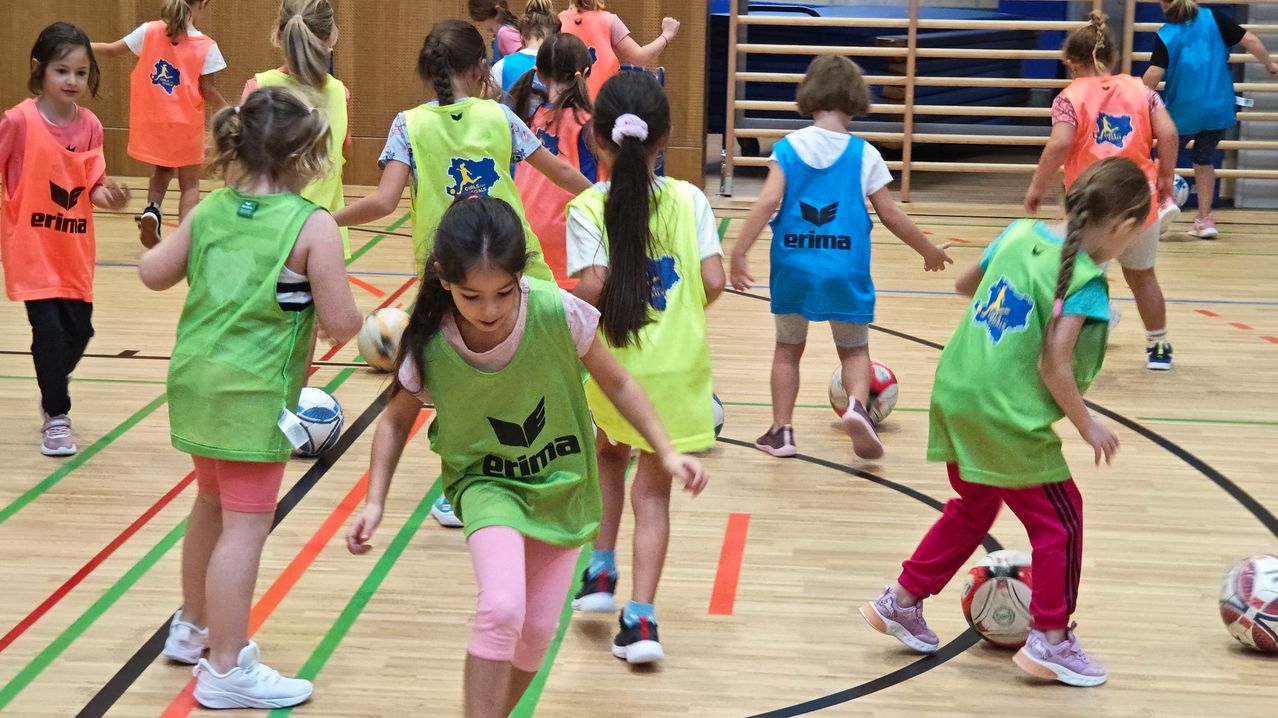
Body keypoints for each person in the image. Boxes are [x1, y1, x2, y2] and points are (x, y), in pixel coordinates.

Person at [346, 197, 705, 718]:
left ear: (522, 278)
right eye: (472, 296)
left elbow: (621, 382)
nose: (489, 310)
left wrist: (667, 452)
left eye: (503, 293)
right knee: (501, 608)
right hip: (485, 484)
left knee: (536, 631)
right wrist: (375, 501)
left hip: (561, 485)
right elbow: (396, 419)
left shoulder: (557, 312)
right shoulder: (429, 337)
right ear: (444, 278)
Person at [859, 157, 1150, 688]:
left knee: (974, 505)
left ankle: (900, 601)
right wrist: (1088, 426)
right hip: (1005, 415)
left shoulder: (1018, 234)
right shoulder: (1085, 280)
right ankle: (1051, 641)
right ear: (1125, 227)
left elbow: (965, 286)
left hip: (957, 396)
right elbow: (1053, 365)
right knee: (1060, 521)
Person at [139, 86, 362, 710]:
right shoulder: (311, 224)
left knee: (209, 504)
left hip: (192, 381)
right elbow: (344, 323)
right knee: (245, 527)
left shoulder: (208, 211)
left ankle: (193, 629)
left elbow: (152, 272)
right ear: (306, 155)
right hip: (253, 393)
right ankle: (227, 669)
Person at [565, 71, 723, 664]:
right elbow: (712, 281)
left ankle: (600, 574)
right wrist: (679, 314)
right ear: (666, 139)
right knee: (652, 496)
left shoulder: (587, 207)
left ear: (596, 139)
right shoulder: (691, 199)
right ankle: (641, 621)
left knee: (609, 455)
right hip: (681, 368)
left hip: (618, 369)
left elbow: (594, 287)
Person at [729, 56, 953, 461]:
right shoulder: (863, 154)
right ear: (855, 100)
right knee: (853, 350)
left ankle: (781, 432)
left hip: (793, 266)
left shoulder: (788, 148)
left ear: (810, 95)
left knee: (787, 348)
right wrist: (928, 249)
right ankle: (856, 406)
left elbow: (766, 203)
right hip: (845, 269)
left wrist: (739, 252)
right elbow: (890, 213)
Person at [0, 22, 130, 456]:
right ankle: (57, 415)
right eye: (62, 71)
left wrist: (107, 196)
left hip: (73, 250)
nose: (72, 80)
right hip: (32, 249)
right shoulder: (18, 121)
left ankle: (51, 378)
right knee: (50, 332)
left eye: (80, 72)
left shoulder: (90, 125)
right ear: (39, 69)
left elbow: (91, 182)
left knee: (80, 330)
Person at [1027, 12, 1179, 371]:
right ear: (1109, 58)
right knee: (1143, 275)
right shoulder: (1141, 90)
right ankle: (1158, 345)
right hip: (1139, 199)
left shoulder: (1069, 97)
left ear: (1070, 62)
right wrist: (1166, 178)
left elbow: (1059, 144)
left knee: (1078, 271)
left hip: (1094, 201)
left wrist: (1038, 183)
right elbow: (1169, 134)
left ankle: (1073, 338)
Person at [91, 0, 226, 248]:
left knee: (162, 170)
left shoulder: (149, 31)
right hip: (185, 122)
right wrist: (230, 111)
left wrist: (75, 45)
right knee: (190, 183)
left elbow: (110, 50)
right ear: (202, 4)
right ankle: (185, 241)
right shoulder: (206, 46)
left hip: (155, 120)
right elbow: (207, 90)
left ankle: (152, 209)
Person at [1142, 0, 1278, 239]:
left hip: (1184, 110)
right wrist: (1270, 64)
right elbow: (1250, 40)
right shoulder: (1213, 17)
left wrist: (1136, 96)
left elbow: (1155, 73)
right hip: (1218, 106)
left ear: (1164, 6)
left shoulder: (1166, 33)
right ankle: (1205, 221)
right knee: (1204, 160)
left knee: (1164, 159)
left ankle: (1165, 203)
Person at [243, 0, 353, 257]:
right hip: (325, 234)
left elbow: (242, 169)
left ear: (279, 35)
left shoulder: (258, 88)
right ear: (329, 38)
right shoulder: (341, 94)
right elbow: (341, 152)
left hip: (270, 233)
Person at [510, 32, 598, 285]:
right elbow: (590, 187)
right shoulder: (586, 122)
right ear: (586, 72)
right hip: (566, 233)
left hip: (525, 229)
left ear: (539, 74)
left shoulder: (531, 118)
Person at [559, 0, 680, 98]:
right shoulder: (608, 20)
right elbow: (640, 58)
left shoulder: (557, 22)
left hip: (564, 113)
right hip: (602, 112)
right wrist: (667, 34)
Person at [490, 0, 559, 95]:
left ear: (521, 38)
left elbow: (487, 104)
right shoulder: (562, 66)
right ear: (555, 38)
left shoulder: (500, 67)